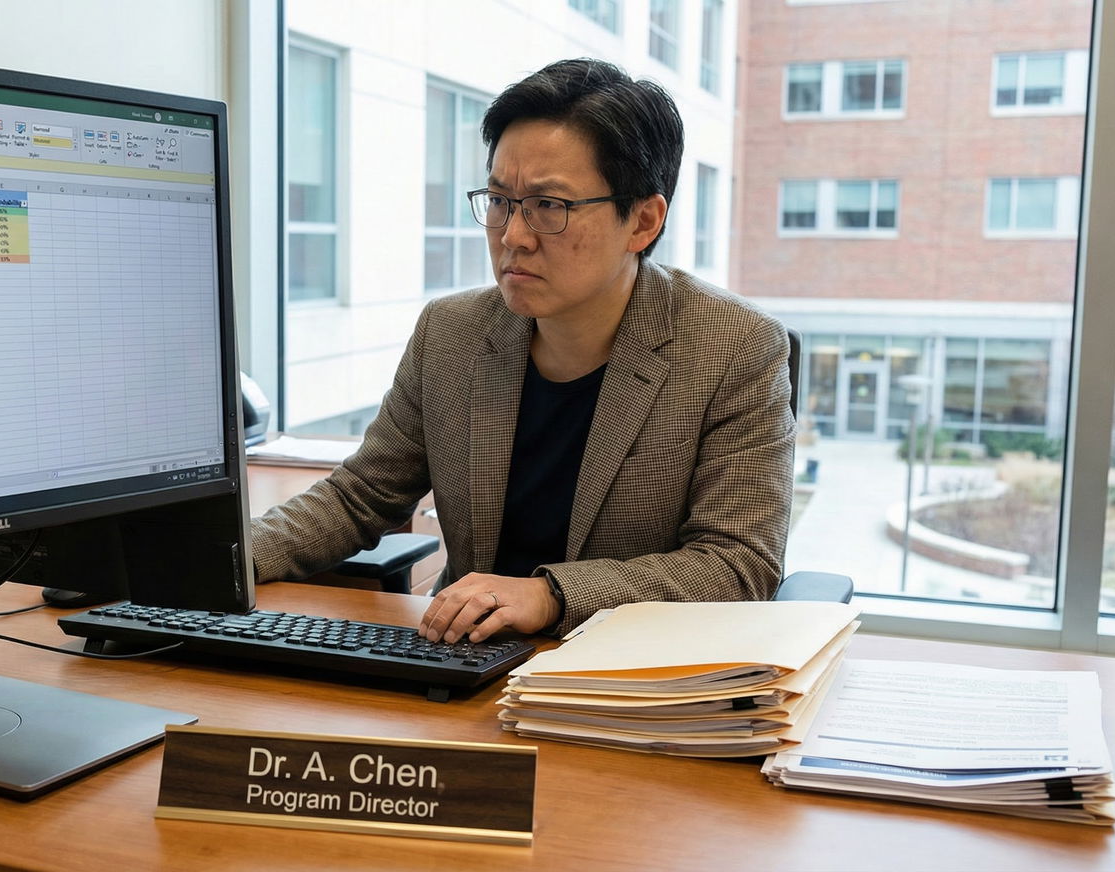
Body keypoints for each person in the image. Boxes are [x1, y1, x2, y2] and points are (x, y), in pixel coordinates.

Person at [249, 58, 794, 645]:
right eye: (501, 201)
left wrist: (550, 595)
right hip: (462, 662)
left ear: (642, 221)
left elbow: (737, 564)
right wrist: (228, 558)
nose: (513, 236)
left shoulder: (734, 347)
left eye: (549, 206)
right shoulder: (450, 333)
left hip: (624, 681)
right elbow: (361, 497)